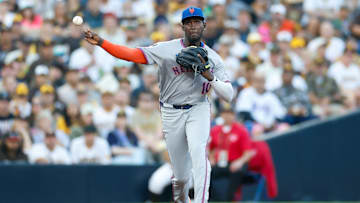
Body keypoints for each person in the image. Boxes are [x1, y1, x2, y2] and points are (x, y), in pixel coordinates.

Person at [84, 6, 233, 203]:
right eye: (189, 22)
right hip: (171, 111)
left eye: (197, 21)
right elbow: (132, 54)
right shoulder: (166, 49)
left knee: (199, 154)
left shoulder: (213, 57)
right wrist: (103, 43)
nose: (193, 25)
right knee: (179, 172)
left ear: (204, 24)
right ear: (182, 26)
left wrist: (209, 76)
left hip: (199, 107)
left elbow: (229, 95)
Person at [209, 108, 278, 201]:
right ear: (221, 115)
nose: (227, 116)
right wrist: (211, 158)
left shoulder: (241, 130)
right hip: (221, 162)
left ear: (234, 115)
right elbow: (211, 148)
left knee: (237, 172)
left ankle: (229, 199)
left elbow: (248, 153)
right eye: (225, 114)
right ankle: (214, 198)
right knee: (207, 172)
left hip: (236, 162)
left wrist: (239, 162)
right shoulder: (215, 130)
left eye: (230, 114)